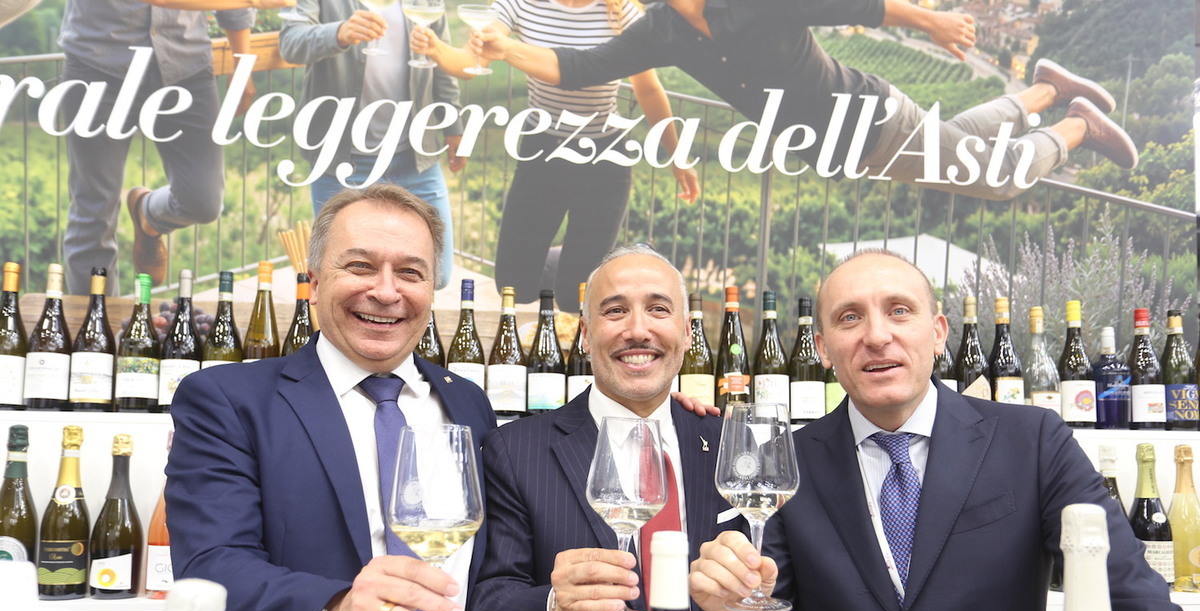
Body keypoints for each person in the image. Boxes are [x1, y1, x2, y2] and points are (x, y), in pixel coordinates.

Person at [688, 249, 1200, 611]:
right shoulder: (787, 462)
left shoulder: (1033, 441)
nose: (877, 336)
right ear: (823, 349)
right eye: (850, 317)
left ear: (937, 333)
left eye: (899, 310)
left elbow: (1130, 599)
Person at [166, 184, 494, 611]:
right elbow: (209, 571)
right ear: (314, 280)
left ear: (432, 290)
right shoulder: (228, 401)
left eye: (411, 272)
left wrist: (664, 412)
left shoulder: (469, 406)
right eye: (360, 266)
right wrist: (339, 607)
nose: (387, 291)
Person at [468, 244, 752, 611]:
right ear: (585, 333)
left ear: (686, 333)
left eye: (658, 309)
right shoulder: (513, 450)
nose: (637, 329)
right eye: (615, 310)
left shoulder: (730, 447)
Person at [470, 0, 1139, 202]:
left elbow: (854, 5)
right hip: (842, 148)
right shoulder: (661, 30)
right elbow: (581, 66)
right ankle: (1047, 88)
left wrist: (930, 21)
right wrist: (506, 48)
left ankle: (1078, 124)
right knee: (962, 142)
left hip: (870, 120)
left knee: (997, 177)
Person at [412, 0, 698, 303]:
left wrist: (677, 155)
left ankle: (578, 270)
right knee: (513, 283)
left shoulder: (622, 10)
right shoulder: (521, 4)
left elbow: (648, 88)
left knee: (579, 294)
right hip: (542, 149)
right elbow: (470, 63)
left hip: (605, 156)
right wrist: (436, 49)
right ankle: (566, 261)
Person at [58, 1, 261, 294]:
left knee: (203, 202)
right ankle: (95, 319)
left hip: (187, 67)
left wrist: (242, 65)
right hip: (98, 66)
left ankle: (147, 212)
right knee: (94, 210)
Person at [279, 0, 467, 289]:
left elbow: (440, 64)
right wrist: (339, 33)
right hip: (340, 159)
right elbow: (290, 43)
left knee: (437, 274)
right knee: (343, 274)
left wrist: (454, 127)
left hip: (413, 158)